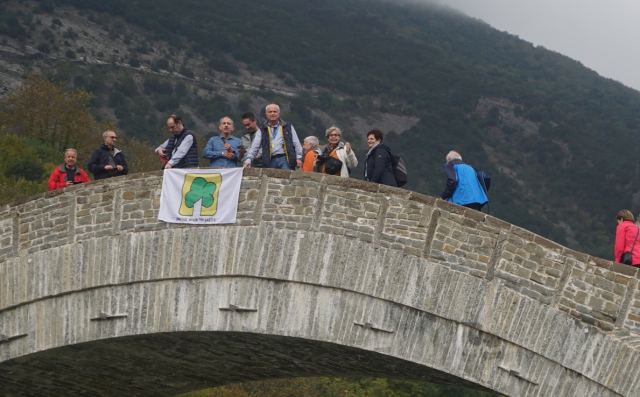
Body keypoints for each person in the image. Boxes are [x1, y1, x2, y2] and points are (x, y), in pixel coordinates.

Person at [243, 103, 302, 170]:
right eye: (270, 112)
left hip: (285, 159)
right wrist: (249, 159)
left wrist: (299, 158)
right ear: (266, 114)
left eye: (275, 111)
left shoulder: (287, 126)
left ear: (279, 114)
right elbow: (255, 146)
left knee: (286, 179)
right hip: (269, 160)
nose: (272, 114)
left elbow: (296, 142)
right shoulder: (262, 129)